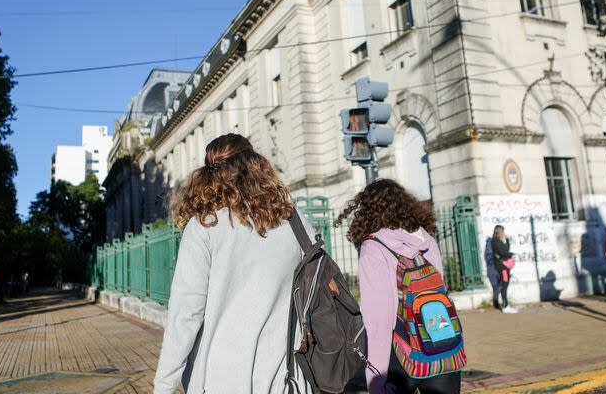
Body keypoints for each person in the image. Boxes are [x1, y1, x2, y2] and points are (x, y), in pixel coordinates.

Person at [154, 134, 313, 394]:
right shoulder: (294, 223)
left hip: (220, 378)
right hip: (286, 379)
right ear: (256, 166)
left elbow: (185, 316)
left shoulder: (205, 227)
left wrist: (163, 387)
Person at [335, 179, 461, 394]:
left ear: (367, 211)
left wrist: (376, 379)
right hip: (443, 346)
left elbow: (378, 322)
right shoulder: (427, 240)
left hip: (401, 356)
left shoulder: (374, 248)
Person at [491, 225, 517, 314]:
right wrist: (509, 255)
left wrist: (508, 241)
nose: (504, 233)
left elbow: (506, 250)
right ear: (499, 232)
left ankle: (505, 305)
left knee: (505, 284)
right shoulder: (495, 241)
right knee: (504, 285)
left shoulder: (498, 241)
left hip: (504, 265)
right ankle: (505, 306)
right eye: (503, 232)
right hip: (502, 266)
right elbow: (502, 253)